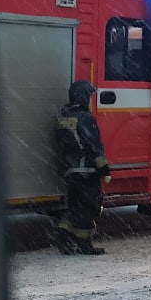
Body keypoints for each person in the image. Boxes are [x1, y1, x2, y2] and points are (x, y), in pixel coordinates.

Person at [54, 79, 110, 255]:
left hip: (71, 171)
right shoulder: (85, 118)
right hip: (86, 170)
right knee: (89, 207)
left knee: (75, 207)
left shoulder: (64, 117)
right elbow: (93, 145)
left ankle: (62, 236)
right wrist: (104, 168)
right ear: (83, 97)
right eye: (89, 96)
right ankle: (84, 244)